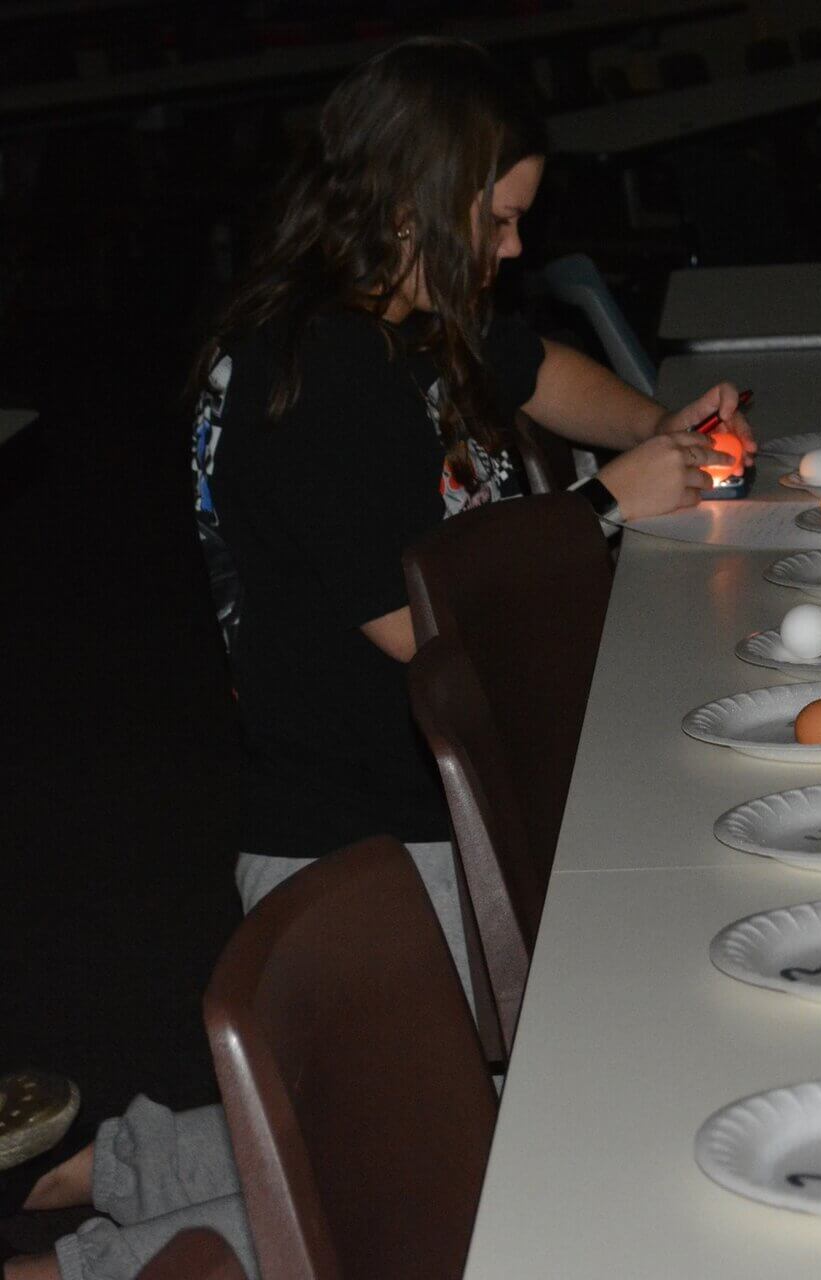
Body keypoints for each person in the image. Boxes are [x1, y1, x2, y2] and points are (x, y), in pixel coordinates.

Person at [6, 38, 749, 1280]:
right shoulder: (314, 376)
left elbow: (537, 370)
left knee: (437, 1107)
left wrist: (655, 426)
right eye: (499, 219)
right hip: (351, 836)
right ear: (416, 199)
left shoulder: (406, 319)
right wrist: (608, 507)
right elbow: (425, 622)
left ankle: (100, 1174)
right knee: (436, 1167)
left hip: (405, 815)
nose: (513, 251)